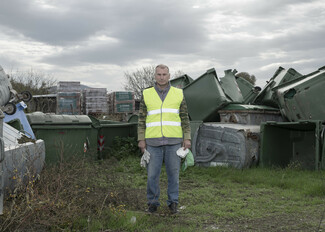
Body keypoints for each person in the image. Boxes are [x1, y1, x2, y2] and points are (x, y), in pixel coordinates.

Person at [138, 64, 191, 214]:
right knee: (152, 176)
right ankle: (153, 203)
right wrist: (141, 139)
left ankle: (173, 203)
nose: (161, 77)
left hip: (174, 142)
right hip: (152, 142)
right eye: (159, 74)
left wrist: (187, 138)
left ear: (169, 76)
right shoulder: (146, 94)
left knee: (173, 175)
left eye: (164, 74)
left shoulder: (178, 93)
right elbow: (141, 119)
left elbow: (185, 118)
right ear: (155, 76)